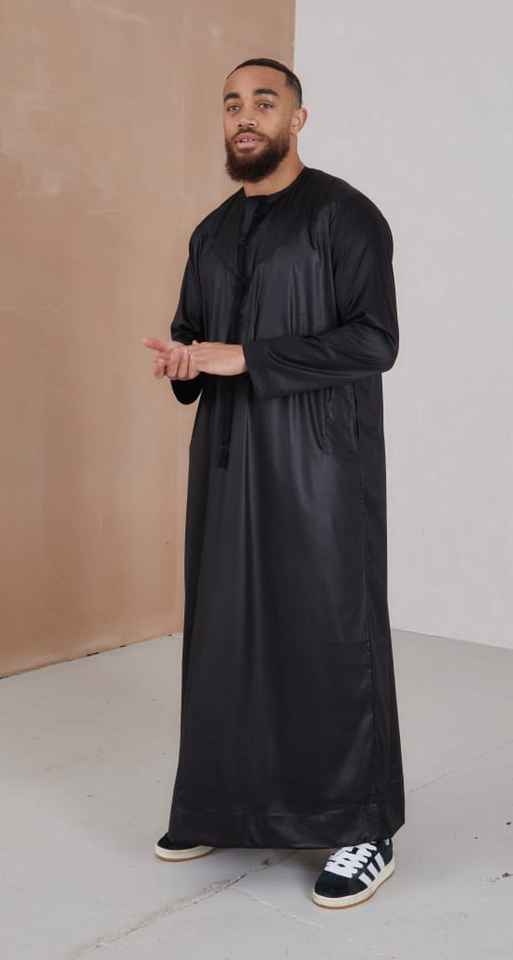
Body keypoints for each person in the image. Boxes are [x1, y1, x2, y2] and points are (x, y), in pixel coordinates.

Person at [143, 56, 405, 909]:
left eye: (264, 101)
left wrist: (250, 356)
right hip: (227, 459)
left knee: (328, 630)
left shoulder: (343, 215)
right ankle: (222, 803)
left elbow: (374, 341)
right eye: (232, 104)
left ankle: (362, 825)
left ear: (297, 118)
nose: (245, 116)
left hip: (321, 461)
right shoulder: (213, 232)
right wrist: (184, 361)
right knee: (225, 630)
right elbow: (194, 333)